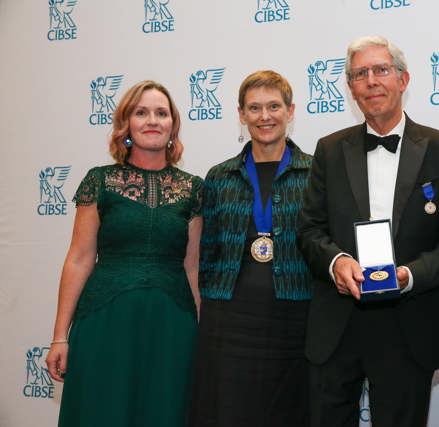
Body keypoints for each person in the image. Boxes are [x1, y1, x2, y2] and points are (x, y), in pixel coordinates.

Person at [297, 36, 439, 427]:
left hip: (409, 323)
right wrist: (337, 262)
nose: (371, 81)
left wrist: (409, 276)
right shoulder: (328, 149)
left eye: (381, 70)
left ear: (403, 79)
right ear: (351, 88)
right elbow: (309, 230)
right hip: (338, 324)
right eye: (360, 74)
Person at [45, 80, 203, 426]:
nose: (152, 120)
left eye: (162, 113)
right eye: (141, 112)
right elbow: (79, 259)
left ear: (173, 125)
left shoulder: (194, 188)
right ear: (126, 124)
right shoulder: (99, 181)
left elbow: (192, 268)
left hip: (172, 324)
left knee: (165, 412)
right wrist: (60, 336)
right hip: (105, 320)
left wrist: (202, 332)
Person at [190, 70, 313, 427]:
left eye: (274, 106)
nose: (265, 116)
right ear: (241, 115)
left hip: (295, 313)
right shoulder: (219, 176)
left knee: (289, 411)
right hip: (228, 317)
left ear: (290, 111)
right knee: (228, 410)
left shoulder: (316, 171)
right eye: (254, 108)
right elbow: (207, 249)